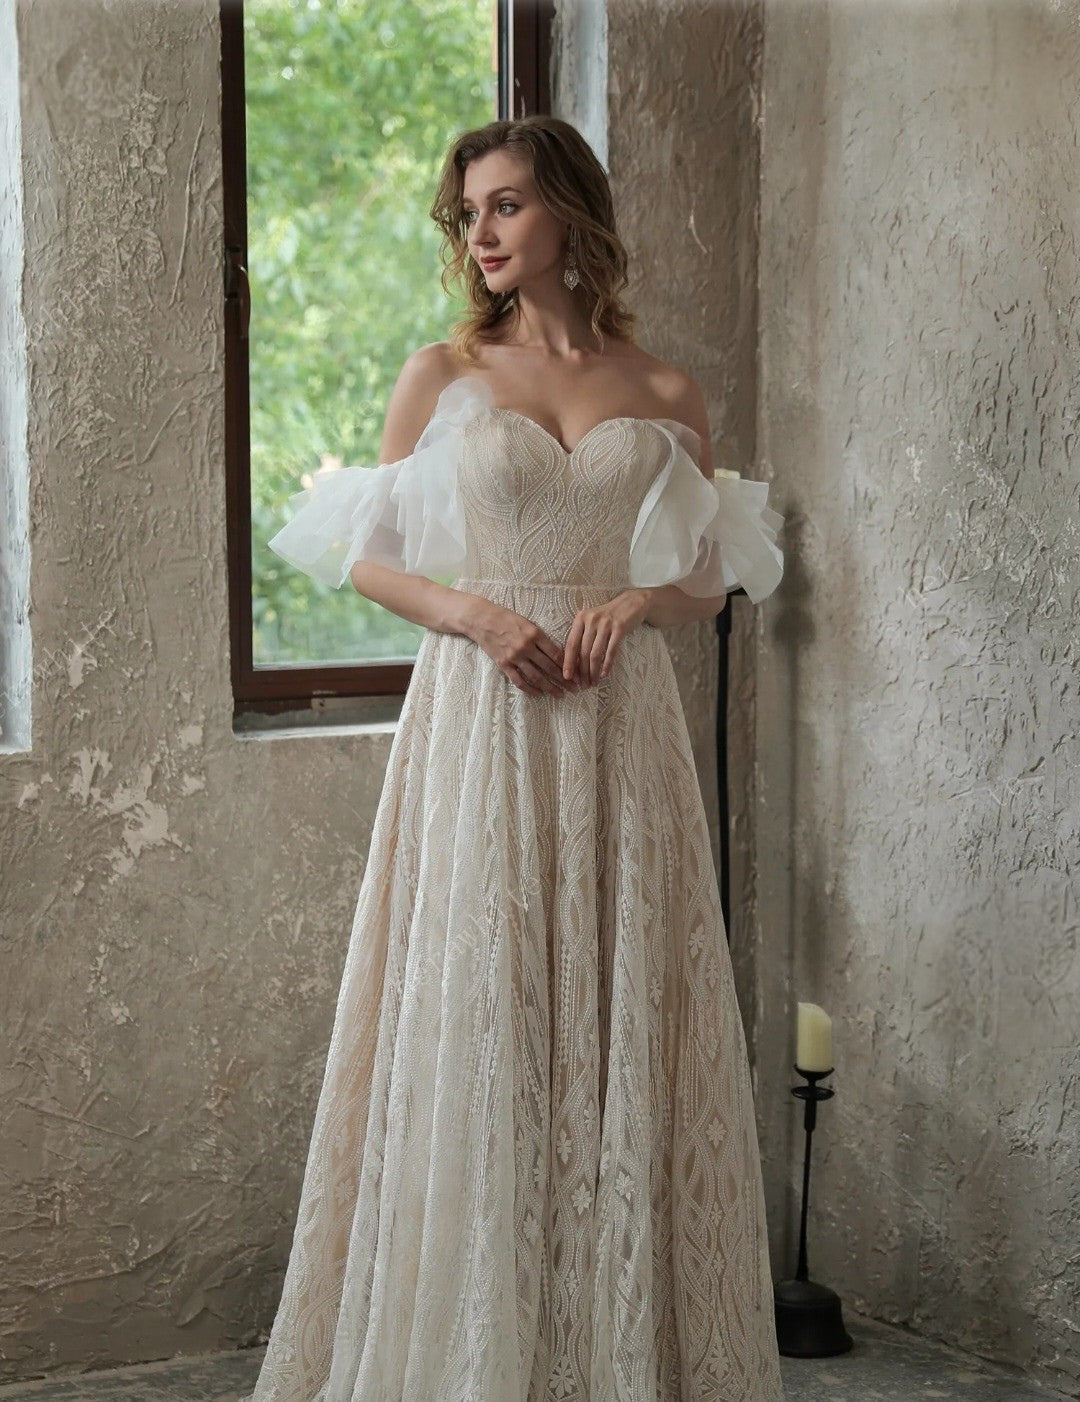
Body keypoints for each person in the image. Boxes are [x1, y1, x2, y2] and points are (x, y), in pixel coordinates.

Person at [250, 114, 785, 1402]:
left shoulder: (665, 391)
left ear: (569, 213)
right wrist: (478, 612)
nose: (481, 237)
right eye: (470, 216)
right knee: (484, 1004)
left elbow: (709, 581)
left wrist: (633, 603)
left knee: (612, 1000)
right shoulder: (443, 372)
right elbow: (368, 554)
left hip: (618, 725)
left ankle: (612, 1349)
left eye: (504, 209)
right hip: (483, 717)